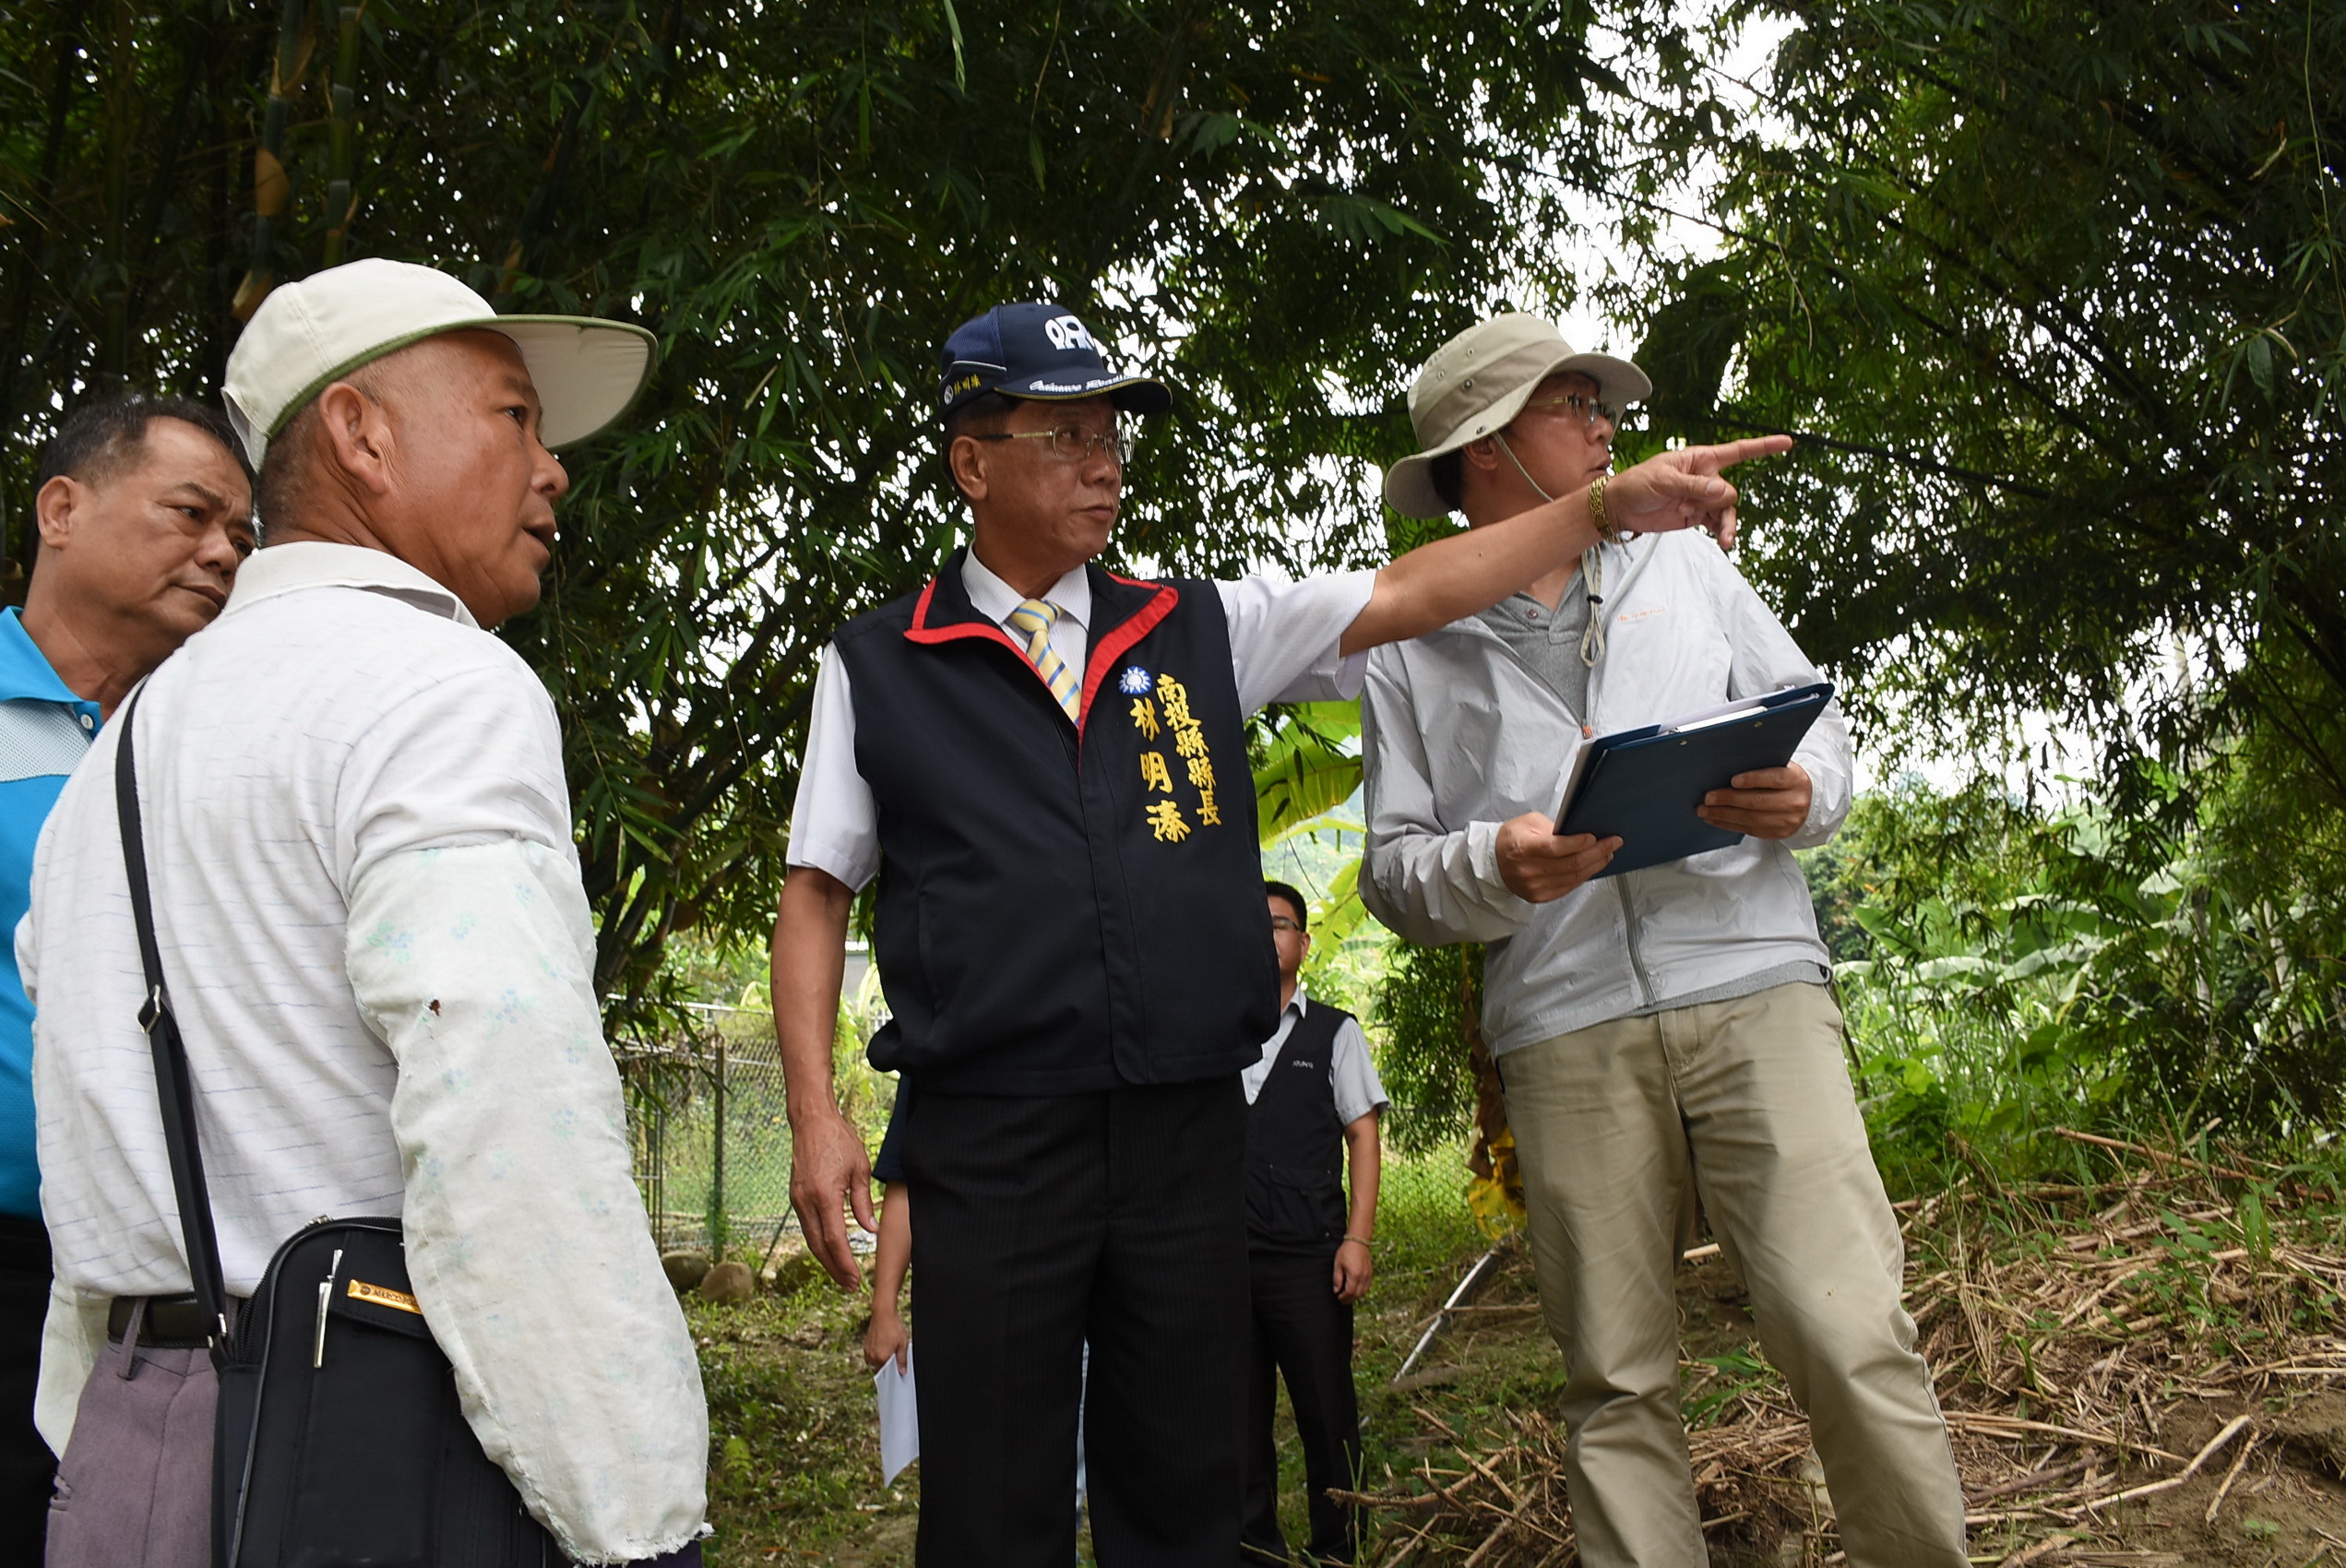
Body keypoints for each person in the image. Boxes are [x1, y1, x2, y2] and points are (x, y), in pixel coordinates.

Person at [772, 298, 1787, 1567]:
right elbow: (816, 888)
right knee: (991, 1498)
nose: (1103, 463)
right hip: (993, 1138)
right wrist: (817, 1115)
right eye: (1065, 434)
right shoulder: (881, 665)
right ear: (970, 460)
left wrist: (1599, 509)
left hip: (1187, 1131)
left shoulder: (1195, 626)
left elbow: (1408, 587)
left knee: (1193, 1489)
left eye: (1114, 436)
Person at [20, 258, 707, 1568]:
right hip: (366, 1457)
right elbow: (503, 1118)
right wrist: (635, 1513)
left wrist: (95, 1432)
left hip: (127, 1458)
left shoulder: (127, 742)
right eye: (513, 418)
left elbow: (87, 1108)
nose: (552, 469)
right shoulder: (437, 686)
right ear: (360, 433)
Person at [1359, 313, 1967, 1568]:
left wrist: (1806, 793)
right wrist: (1494, 863)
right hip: (1563, 1023)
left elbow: (1819, 731)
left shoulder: (1684, 567)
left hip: (1753, 984)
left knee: (1847, 1326)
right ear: (1485, 448)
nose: (1602, 430)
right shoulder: (1407, 640)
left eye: (1600, 407)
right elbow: (1390, 871)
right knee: (1616, 1383)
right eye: (1568, 406)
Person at [0, 396, 253, 1560]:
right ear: (63, 508)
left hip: (154, 1283)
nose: (222, 552)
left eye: (242, 537)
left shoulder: (206, 739)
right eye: (192, 513)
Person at [1241, 882, 1387, 1568]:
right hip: (1228, 1260)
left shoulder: (1335, 1031)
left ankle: (1340, 1549)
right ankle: (1254, 1551)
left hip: (1307, 1257)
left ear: (1303, 943)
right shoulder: (1210, 1037)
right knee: (1239, 1421)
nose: (1266, 934)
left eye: (1280, 924)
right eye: (1253, 924)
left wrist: (1356, 1239)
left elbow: (1362, 1134)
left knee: (1325, 1415)